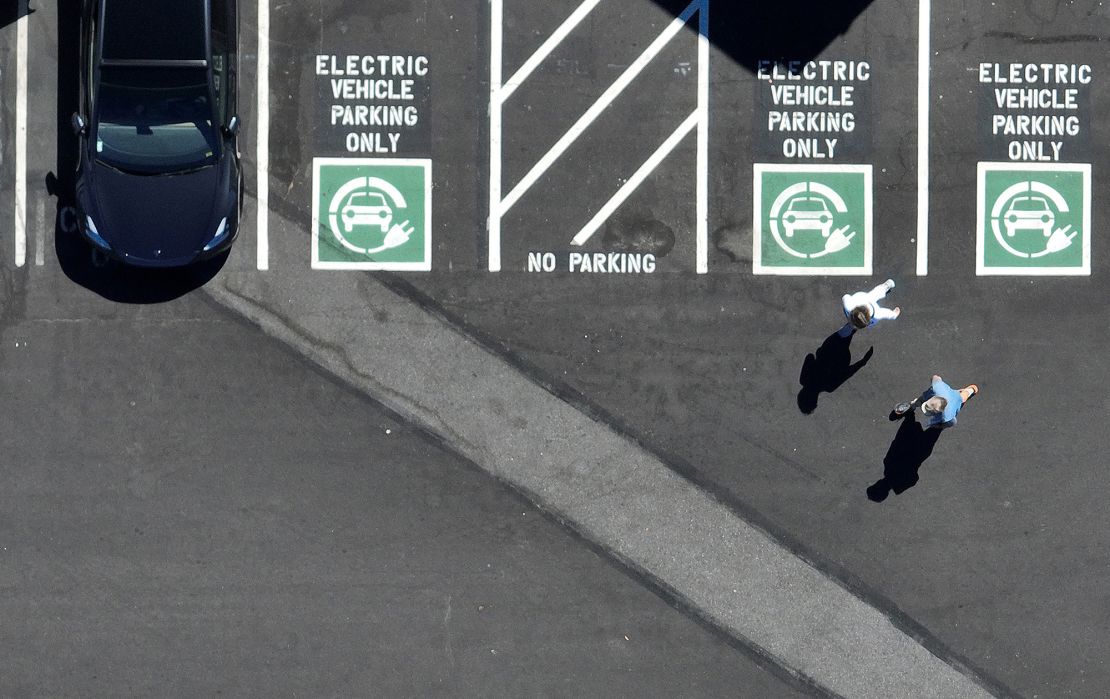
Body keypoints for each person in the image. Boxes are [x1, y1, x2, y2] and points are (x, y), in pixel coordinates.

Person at [892, 375, 979, 429]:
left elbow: (953, 422)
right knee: (920, 400)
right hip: (949, 394)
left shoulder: (946, 416)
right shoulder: (937, 387)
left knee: (962, 397)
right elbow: (936, 377)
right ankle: (911, 405)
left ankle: (971, 390)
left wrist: (940, 426)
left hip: (955, 397)